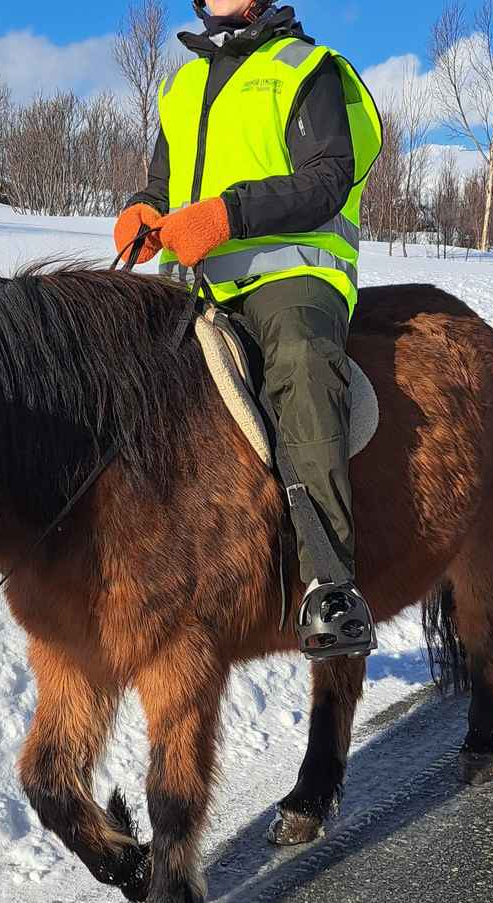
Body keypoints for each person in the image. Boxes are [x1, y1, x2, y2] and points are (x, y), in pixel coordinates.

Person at [113, 0, 382, 656]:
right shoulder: (181, 86)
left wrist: (228, 214)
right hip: (196, 284)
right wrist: (142, 212)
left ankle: (329, 582)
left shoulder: (305, 68)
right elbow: (162, 183)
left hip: (291, 276)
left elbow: (328, 179)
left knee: (298, 362)